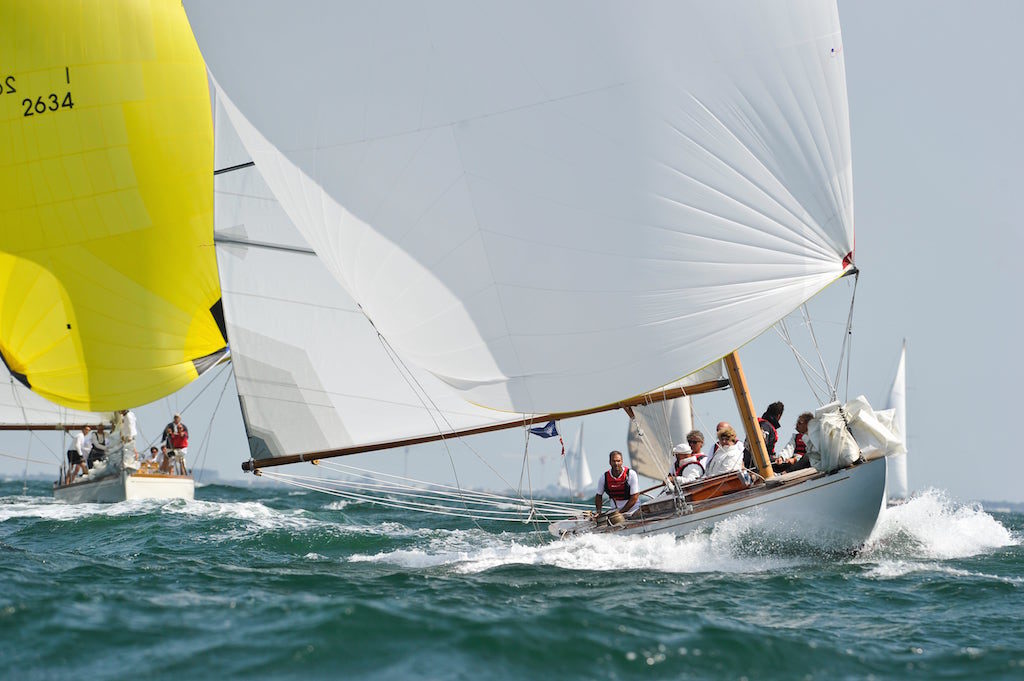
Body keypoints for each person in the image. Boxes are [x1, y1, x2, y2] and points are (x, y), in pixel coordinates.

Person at [595, 450, 640, 516]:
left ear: (622, 462)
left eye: (618, 461)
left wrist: (621, 512)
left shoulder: (631, 474)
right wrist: (598, 512)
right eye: (614, 461)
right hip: (615, 511)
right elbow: (598, 496)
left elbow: (634, 497)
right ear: (610, 462)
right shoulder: (604, 477)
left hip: (633, 510)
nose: (616, 463)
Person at [744, 402, 784, 469]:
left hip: (749, 460)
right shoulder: (766, 426)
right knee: (787, 465)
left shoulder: (761, 424)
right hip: (758, 464)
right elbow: (760, 444)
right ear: (779, 416)